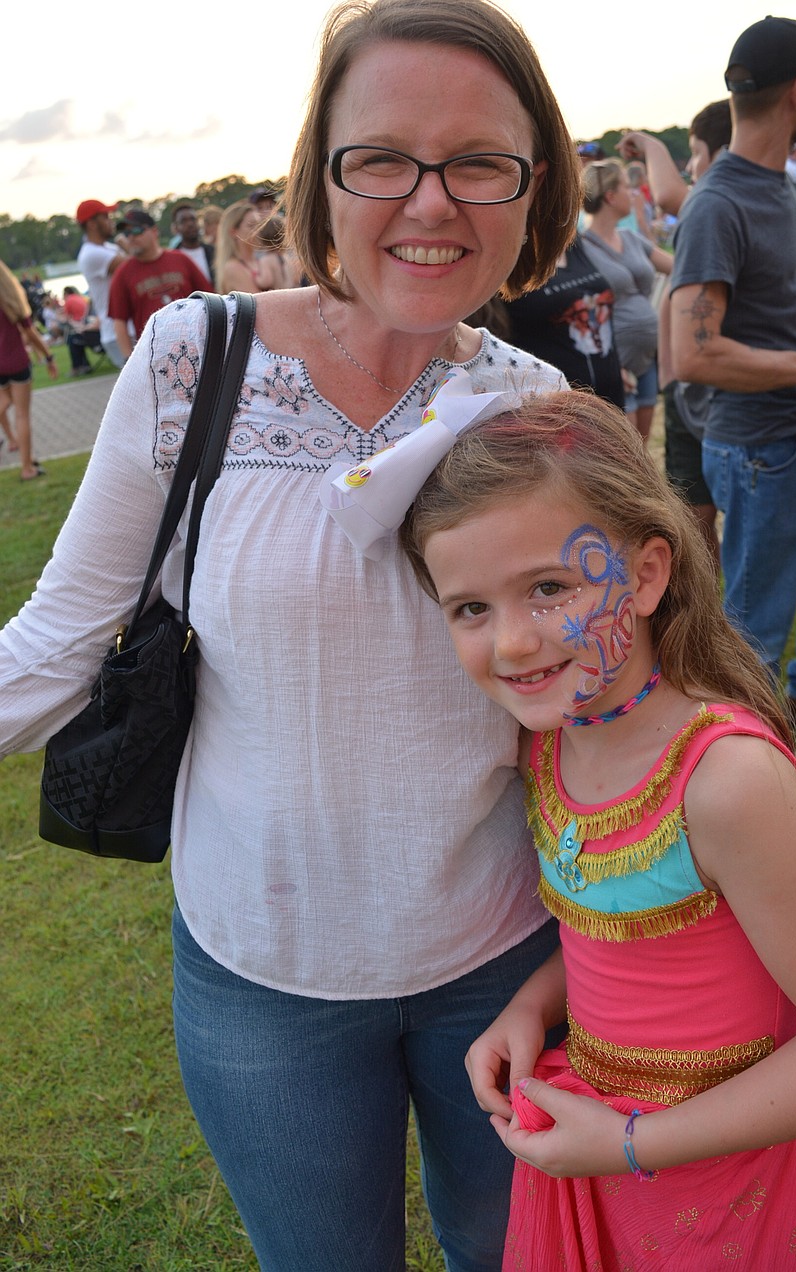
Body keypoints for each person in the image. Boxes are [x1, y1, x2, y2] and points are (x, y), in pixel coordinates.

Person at [0, 0, 580, 1267]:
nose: (430, 204)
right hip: (261, 976)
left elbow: (609, 705)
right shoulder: (190, 358)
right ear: (320, 172)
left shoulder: (538, 410)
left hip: (506, 956)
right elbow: (54, 645)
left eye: (479, 161)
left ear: (534, 192)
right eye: (381, 158)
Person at [398, 388, 796, 1269]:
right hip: (602, 1163)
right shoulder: (552, 745)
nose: (515, 643)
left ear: (646, 575)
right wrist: (531, 1007)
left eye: (549, 588)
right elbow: (623, 932)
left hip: (739, 1186)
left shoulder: (728, 782)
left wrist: (632, 1144)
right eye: (470, 609)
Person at [670, 16, 796, 731]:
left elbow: (781, 286)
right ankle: (741, 747)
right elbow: (694, 353)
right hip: (761, 452)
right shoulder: (719, 201)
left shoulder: (778, 185)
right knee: (754, 626)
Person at [581, 159, 672, 442]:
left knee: (642, 452)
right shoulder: (579, 248)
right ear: (609, 196)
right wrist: (604, 363)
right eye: (625, 186)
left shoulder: (631, 238)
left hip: (646, 361)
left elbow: (680, 269)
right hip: (614, 366)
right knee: (627, 451)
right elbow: (579, 312)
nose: (633, 193)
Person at [504, 239, 625, 408]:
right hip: (555, 406)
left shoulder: (572, 242)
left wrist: (616, 367)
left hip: (611, 395)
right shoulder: (509, 254)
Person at [108, 208, 211, 360]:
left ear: (154, 231)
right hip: (154, 355)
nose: (131, 237)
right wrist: (128, 359)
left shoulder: (181, 259)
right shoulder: (123, 273)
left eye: (137, 230)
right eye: (126, 233)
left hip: (197, 346)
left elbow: (209, 298)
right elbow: (119, 321)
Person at [0, 260, 58, 480]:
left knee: (5, 403)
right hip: (16, 362)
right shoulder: (11, 300)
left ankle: (16, 444)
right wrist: (49, 356)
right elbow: (32, 333)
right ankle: (27, 467)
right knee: (22, 415)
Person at [75, 198, 129, 370]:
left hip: (126, 328)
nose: (110, 220)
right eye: (105, 217)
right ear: (91, 224)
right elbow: (134, 268)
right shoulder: (91, 254)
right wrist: (128, 245)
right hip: (117, 331)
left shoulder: (107, 247)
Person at [213, 200, 263, 293]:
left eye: (259, 225)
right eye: (251, 225)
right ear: (233, 232)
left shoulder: (259, 261)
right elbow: (259, 304)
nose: (258, 230)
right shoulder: (233, 268)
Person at [171, 203, 215, 286]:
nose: (190, 224)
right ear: (176, 227)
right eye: (183, 221)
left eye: (193, 219)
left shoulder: (214, 252)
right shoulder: (173, 259)